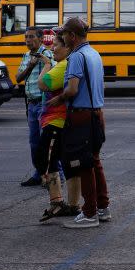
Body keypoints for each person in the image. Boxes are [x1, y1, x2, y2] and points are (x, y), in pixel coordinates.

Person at [48, 17, 110, 230]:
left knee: (83, 165)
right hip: (96, 114)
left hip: (80, 115)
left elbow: (73, 89)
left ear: (72, 36)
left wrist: (59, 98)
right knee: (94, 161)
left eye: (63, 33)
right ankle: (103, 207)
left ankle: (89, 212)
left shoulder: (76, 57)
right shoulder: (94, 53)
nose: (61, 37)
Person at [36, 31, 80, 222]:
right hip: (65, 122)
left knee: (48, 162)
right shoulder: (70, 63)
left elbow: (42, 84)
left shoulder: (62, 65)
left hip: (55, 122)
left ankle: (58, 202)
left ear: (67, 47)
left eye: (56, 45)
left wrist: (46, 65)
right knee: (69, 164)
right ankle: (71, 204)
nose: (52, 48)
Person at [16, 28, 54, 187]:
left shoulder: (47, 54)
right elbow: (18, 78)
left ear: (40, 39)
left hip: (43, 102)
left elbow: (52, 73)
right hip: (31, 103)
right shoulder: (26, 56)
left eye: (31, 37)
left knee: (46, 141)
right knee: (34, 141)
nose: (27, 40)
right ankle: (39, 173)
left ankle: (54, 174)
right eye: (26, 37)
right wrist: (30, 66)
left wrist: (41, 63)